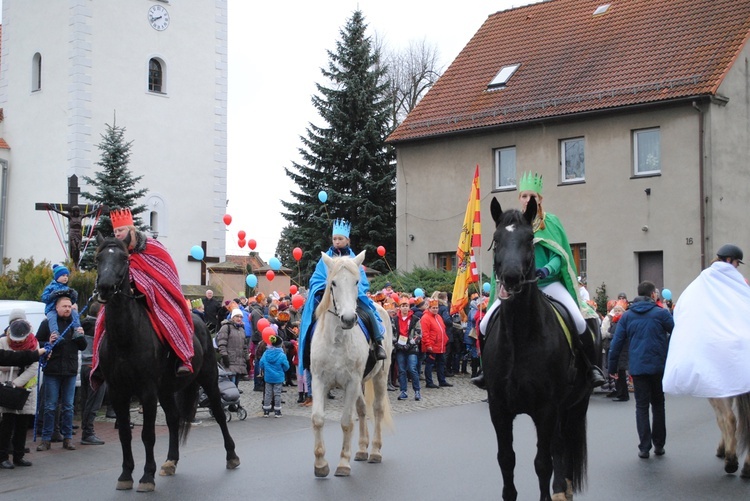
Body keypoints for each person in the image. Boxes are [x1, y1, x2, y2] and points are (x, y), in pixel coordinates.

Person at [473, 172, 606, 389]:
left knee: (580, 320)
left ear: (539, 199)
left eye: (531, 196)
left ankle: (590, 367)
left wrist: (545, 270)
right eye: (524, 196)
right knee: (486, 323)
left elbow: (559, 255)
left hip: (549, 282)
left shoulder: (550, 222)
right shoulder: (512, 225)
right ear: (519, 198)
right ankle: (486, 370)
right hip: (518, 286)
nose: (527, 200)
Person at [94, 208, 194, 376]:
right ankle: (99, 365)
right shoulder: (118, 252)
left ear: (131, 230)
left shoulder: (152, 247)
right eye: (115, 231)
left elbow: (165, 276)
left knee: (172, 318)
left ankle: (182, 358)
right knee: (102, 320)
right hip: (125, 299)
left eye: (121, 230)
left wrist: (142, 286)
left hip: (156, 297)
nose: (117, 234)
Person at [663, 244, 750, 398]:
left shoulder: (701, 281)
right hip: (734, 340)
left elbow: (683, 309)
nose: (737, 267)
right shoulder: (737, 282)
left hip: (711, 341)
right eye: (737, 263)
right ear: (729, 260)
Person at [298, 218, 387, 368]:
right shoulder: (325, 260)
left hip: (351, 298)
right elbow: (316, 279)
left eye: (340, 238)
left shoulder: (354, 259)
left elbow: (363, 281)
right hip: (329, 298)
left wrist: (355, 290)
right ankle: (307, 351)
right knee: (311, 319)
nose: (337, 241)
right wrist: (326, 288)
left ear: (347, 240)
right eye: (334, 239)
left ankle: (378, 343)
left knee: (370, 313)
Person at [608, 280, 674, 459]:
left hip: (637, 368)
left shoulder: (627, 316)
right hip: (658, 366)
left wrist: (612, 367)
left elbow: (616, 343)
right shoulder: (661, 314)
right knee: (659, 405)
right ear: (652, 294)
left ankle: (644, 447)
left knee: (641, 406)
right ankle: (659, 445)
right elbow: (677, 333)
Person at [35, 295, 87, 452]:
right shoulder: (47, 324)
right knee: (50, 406)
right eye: (64, 306)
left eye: (69, 306)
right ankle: (46, 439)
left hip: (70, 370)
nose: (67, 309)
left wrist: (81, 336)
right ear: (56, 308)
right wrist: (48, 343)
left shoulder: (75, 324)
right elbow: (37, 343)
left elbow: (83, 346)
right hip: (52, 370)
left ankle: (68, 438)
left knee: (68, 406)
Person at [0, 319, 41, 468]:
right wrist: (17, 365)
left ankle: (19, 455)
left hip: (25, 387)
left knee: (23, 422)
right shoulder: (3, 342)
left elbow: (34, 366)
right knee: (7, 422)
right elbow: (3, 362)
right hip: (6, 387)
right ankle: (3, 456)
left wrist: (17, 382)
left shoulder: (34, 343)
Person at [79, 301, 106, 446]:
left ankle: (86, 430)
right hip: (95, 367)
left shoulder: (83, 324)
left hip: (84, 365)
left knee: (86, 401)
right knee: (94, 402)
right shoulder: (99, 327)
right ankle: (88, 433)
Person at [45, 204, 98, 268]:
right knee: (74, 248)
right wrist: (53, 209)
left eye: (77, 211)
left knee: (78, 248)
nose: (76, 212)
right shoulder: (70, 217)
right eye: (75, 211)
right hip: (72, 233)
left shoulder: (80, 217)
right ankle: (73, 261)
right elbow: (61, 213)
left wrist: (97, 209)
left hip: (79, 233)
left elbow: (89, 213)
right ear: (73, 212)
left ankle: (76, 262)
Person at [41, 265, 84, 339]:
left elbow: (71, 302)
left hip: (64, 309)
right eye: (63, 275)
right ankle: (55, 333)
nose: (65, 277)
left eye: (67, 276)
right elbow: (44, 298)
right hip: (52, 309)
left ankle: (77, 330)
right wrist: (53, 295)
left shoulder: (67, 288)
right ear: (57, 277)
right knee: (52, 318)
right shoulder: (50, 287)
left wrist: (73, 296)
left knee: (74, 313)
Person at [393, 298, 422, 401]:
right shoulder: (395, 319)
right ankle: (403, 391)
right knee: (401, 370)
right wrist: (397, 344)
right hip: (400, 348)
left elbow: (418, 334)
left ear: (409, 307)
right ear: (399, 308)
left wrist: (410, 343)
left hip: (411, 348)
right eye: (403, 306)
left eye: (406, 306)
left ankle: (417, 391)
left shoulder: (415, 319)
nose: (405, 308)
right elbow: (392, 334)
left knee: (412, 368)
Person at [421, 298, 452, 389]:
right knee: (430, 364)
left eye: (436, 307)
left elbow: (442, 329)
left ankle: (442, 380)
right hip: (432, 345)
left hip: (440, 345)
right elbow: (425, 333)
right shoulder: (425, 318)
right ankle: (429, 382)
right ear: (429, 308)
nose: (435, 309)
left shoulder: (438, 317)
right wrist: (428, 345)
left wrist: (445, 340)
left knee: (441, 363)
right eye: (433, 308)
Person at [258, 333, 289, 417]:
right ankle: (277, 411)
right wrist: (283, 370)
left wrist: (265, 369)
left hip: (268, 377)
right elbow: (286, 366)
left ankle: (266, 411)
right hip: (278, 377)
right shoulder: (282, 355)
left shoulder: (266, 353)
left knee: (268, 393)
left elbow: (261, 364)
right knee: (277, 394)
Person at [216, 309, 249, 387]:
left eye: (241, 317)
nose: (239, 318)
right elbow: (222, 343)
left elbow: (245, 346)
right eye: (237, 316)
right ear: (232, 317)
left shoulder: (242, 329)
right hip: (229, 361)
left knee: (236, 386)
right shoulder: (226, 327)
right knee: (230, 385)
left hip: (240, 363)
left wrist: (247, 359)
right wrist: (224, 356)